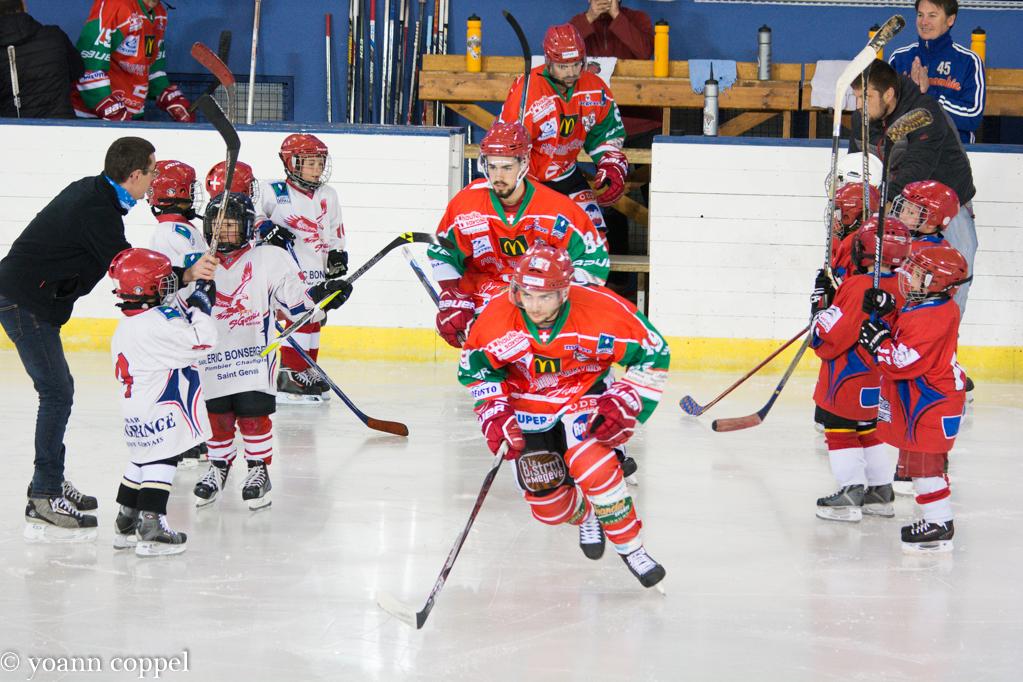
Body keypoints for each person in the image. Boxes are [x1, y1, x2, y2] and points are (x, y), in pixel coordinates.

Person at [0, 136, 215, 542]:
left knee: (59, 390)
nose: (154, 180)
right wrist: (189, 275)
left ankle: (50, 479)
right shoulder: (98, 210)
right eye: (151, 172)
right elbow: (129, 269)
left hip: (32, 298)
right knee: (57, 392)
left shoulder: (97, 194)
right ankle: (43, 494)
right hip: (23, 301)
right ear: (133, 175)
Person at [458, 242, 669, 588]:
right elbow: (478, 372)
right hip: (527, 404)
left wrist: (626, 400)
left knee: (595, 467)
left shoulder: (600, 310)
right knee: (550, 508)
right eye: (526, 294)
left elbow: (654, 353)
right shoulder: (497, 317)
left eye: (544, 297)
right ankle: (587, 514)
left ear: (564, 293)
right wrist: (494, 414)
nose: (533, 305)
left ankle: (633, 550)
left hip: (582, 392)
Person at [191, 192, 352, 511]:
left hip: (253, 357)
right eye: (218, 225)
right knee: (216, 417)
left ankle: (258, 471)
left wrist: (322, 295)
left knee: (253, 415)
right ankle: (218, 466)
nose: (223, 231)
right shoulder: (198, 262)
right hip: (210, 359)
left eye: (231, 224)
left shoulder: (268, 258)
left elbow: (292, 298)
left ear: (246, 226)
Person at [427, 120, 610, 348]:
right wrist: (452, 297)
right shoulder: (467, 204)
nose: (498, 176)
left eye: (506, 167)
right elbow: (442, 253)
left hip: (537, 302)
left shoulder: (557, 210)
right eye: (492, 167)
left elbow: (593, 261)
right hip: (484, 300)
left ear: (524, 163)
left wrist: (550, 298)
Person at [859, 244, 971, 552]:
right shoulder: (929, 306)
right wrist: (889, 308)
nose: (910, 276)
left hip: (933, 404)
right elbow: (908, 327)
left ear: (937, 282)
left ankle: (939, 523)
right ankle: (937, 521)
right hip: (926, 400)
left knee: (926, 468)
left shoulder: (935, 315)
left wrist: (880, 344)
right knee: (923, 466)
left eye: (919, 273)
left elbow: (904, 361)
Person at [109, 248, 217, 556]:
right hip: (158, 401)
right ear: (145, 287)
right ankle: (152, 526)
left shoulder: (125, 325)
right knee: (163, 456)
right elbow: (202, 342)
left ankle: (126, 520)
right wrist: (201, 306)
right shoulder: (158, 320)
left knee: (140, 456)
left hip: (134, 405)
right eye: (163, 278)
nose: (169, 281)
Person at [849, 59, 976, 316]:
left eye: (866, 97)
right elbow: (856, 165)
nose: (859, 105)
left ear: (888, 94)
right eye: (856, 97)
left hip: (947, 207)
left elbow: (917, 166)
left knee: (953, 278)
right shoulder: (862, 119)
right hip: (901, 208)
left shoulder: (923, 112)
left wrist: (882, 202)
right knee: (900, 283)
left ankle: (945, 337)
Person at [811, 218, 911, 522]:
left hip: (847, 376)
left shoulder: (858, 286)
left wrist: (819, 308)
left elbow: (830, 336)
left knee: (839, 429)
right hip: (879, 377)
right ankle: (880, 492)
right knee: (868, 428)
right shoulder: (903, 285)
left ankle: (850, 492)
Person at [499, 23, 628, 235]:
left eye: (576, 64)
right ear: (548, 61)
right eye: (563, 66)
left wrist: (612, 165)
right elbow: (507, 149)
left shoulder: (595, 87)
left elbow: (606, 135)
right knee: (537, 240)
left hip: (566, 174)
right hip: (528, 181)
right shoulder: (527, 90)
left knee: (595, 235)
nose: (571, 73)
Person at [254, 134, 347, 402]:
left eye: (320, 163)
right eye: (310, 163)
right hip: (286, 268)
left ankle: (307, 367)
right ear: (292, 163)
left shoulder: (328, 194)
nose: (317, 169)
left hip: (316, 263)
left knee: (316, 316)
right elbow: (252, 214)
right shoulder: (272, 190)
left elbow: (335, 228)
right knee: (299, 315)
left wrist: (337, 253)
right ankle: (289, 372)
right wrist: (266, 228)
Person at [144, 158, 209, 467]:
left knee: (184, 377)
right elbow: (198, 273)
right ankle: (186, 442)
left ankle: (188, 441)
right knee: (182, 378)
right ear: (178, 191)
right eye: (190, 188)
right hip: (183, 315)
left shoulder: (173, 229)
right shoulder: (178, 230)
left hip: (178, 315)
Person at [71, 0, 194, 122]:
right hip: (92, 117)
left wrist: (170, 98)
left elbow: (149, 64)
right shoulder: (115, 4)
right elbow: (88, 64)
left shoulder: (159, 13)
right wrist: (110, 108)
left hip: (131, 114)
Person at [888, 0, 985, 144]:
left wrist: (929, 93)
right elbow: (887, 114)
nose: (924, 22)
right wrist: (911, 91)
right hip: (907, 150)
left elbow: (972, 118)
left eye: (932, 15)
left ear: (950, 20)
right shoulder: (900, 58)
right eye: (920, 15)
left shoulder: (968, 61)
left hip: (953, 151)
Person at [568, 0, 658, 144]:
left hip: (639, 120)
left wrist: (616, 15)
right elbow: (564, 55)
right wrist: (589, 17)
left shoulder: (638, 18)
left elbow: (645, 52)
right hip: (595, 121)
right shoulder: (576, 24)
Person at [0, 0, 84, 118]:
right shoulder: (55, 36)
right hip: (62, 125)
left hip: (12, 128)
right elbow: (78, 71)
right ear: (23, 5)